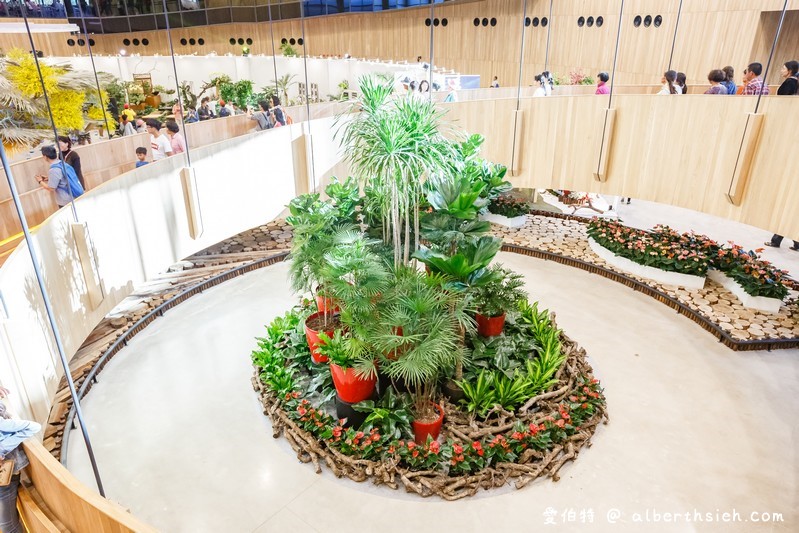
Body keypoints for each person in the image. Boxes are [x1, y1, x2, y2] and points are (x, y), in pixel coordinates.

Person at [0, 387, 42, 533]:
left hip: (5, 478)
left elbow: (33, 427)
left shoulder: (3, 424)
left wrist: (2, 448)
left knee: (8, 526)